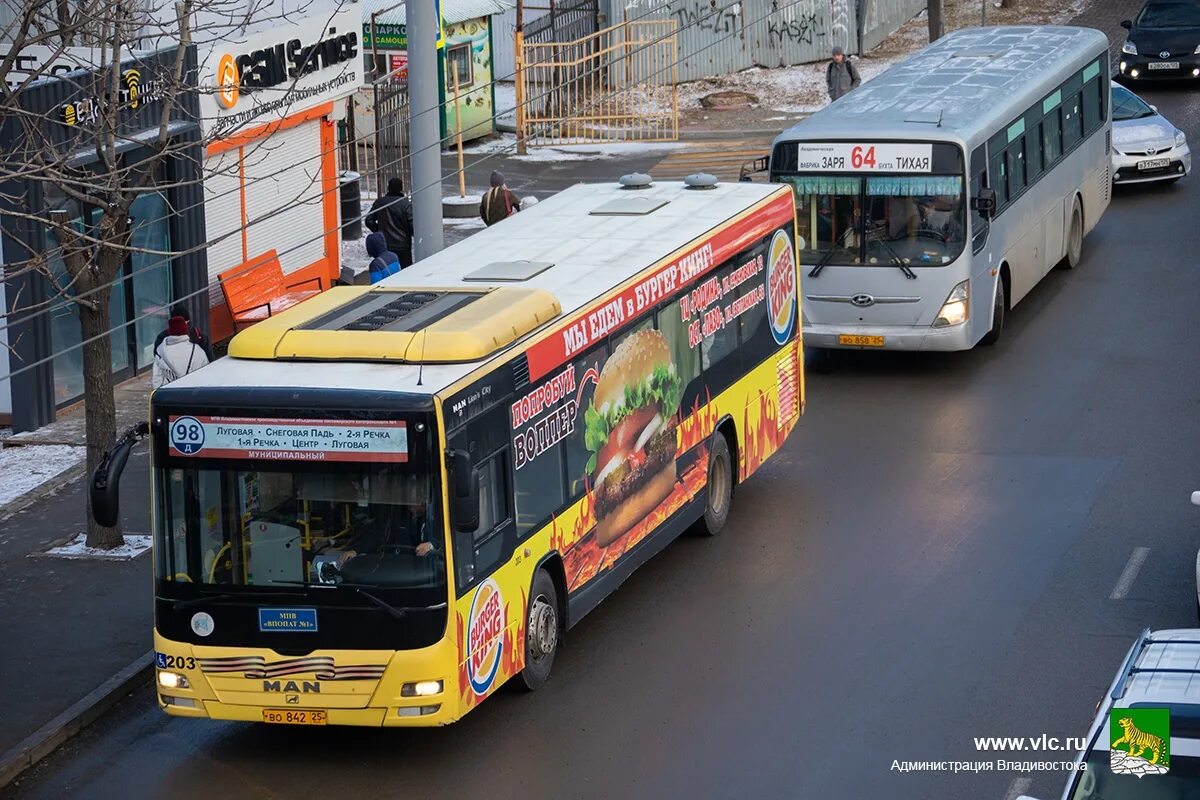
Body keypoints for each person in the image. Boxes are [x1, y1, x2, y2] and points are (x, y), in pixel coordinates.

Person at [365, 177, 414, 267]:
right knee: (406, 272)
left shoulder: (380, 202)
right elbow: (411, 224)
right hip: (403, 245)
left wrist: (379, 231)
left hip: (385, 244)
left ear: (388, 188)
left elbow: (368, 220)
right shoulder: (405, 204)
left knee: (387, 271)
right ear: (401, 189)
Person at [152, 315, 210, 388]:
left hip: (169, 395)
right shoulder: (197, 351)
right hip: (192, 394)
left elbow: (156, 380)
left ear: (170, 331)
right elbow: (205, 377)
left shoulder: (160, 351)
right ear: (185, 331)